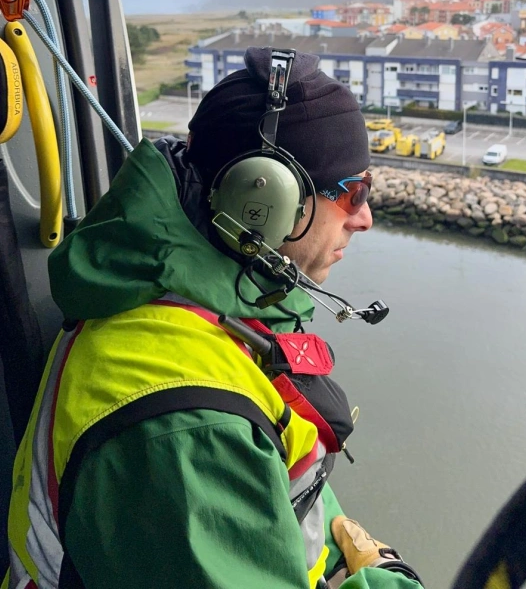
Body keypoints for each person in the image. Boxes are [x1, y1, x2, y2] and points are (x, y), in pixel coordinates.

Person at [3, 48, 422, 589]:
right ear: (264, 201)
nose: (365, 219)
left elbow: (280, 473)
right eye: (352, 192)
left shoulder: (212, 305)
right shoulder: (187, 430)